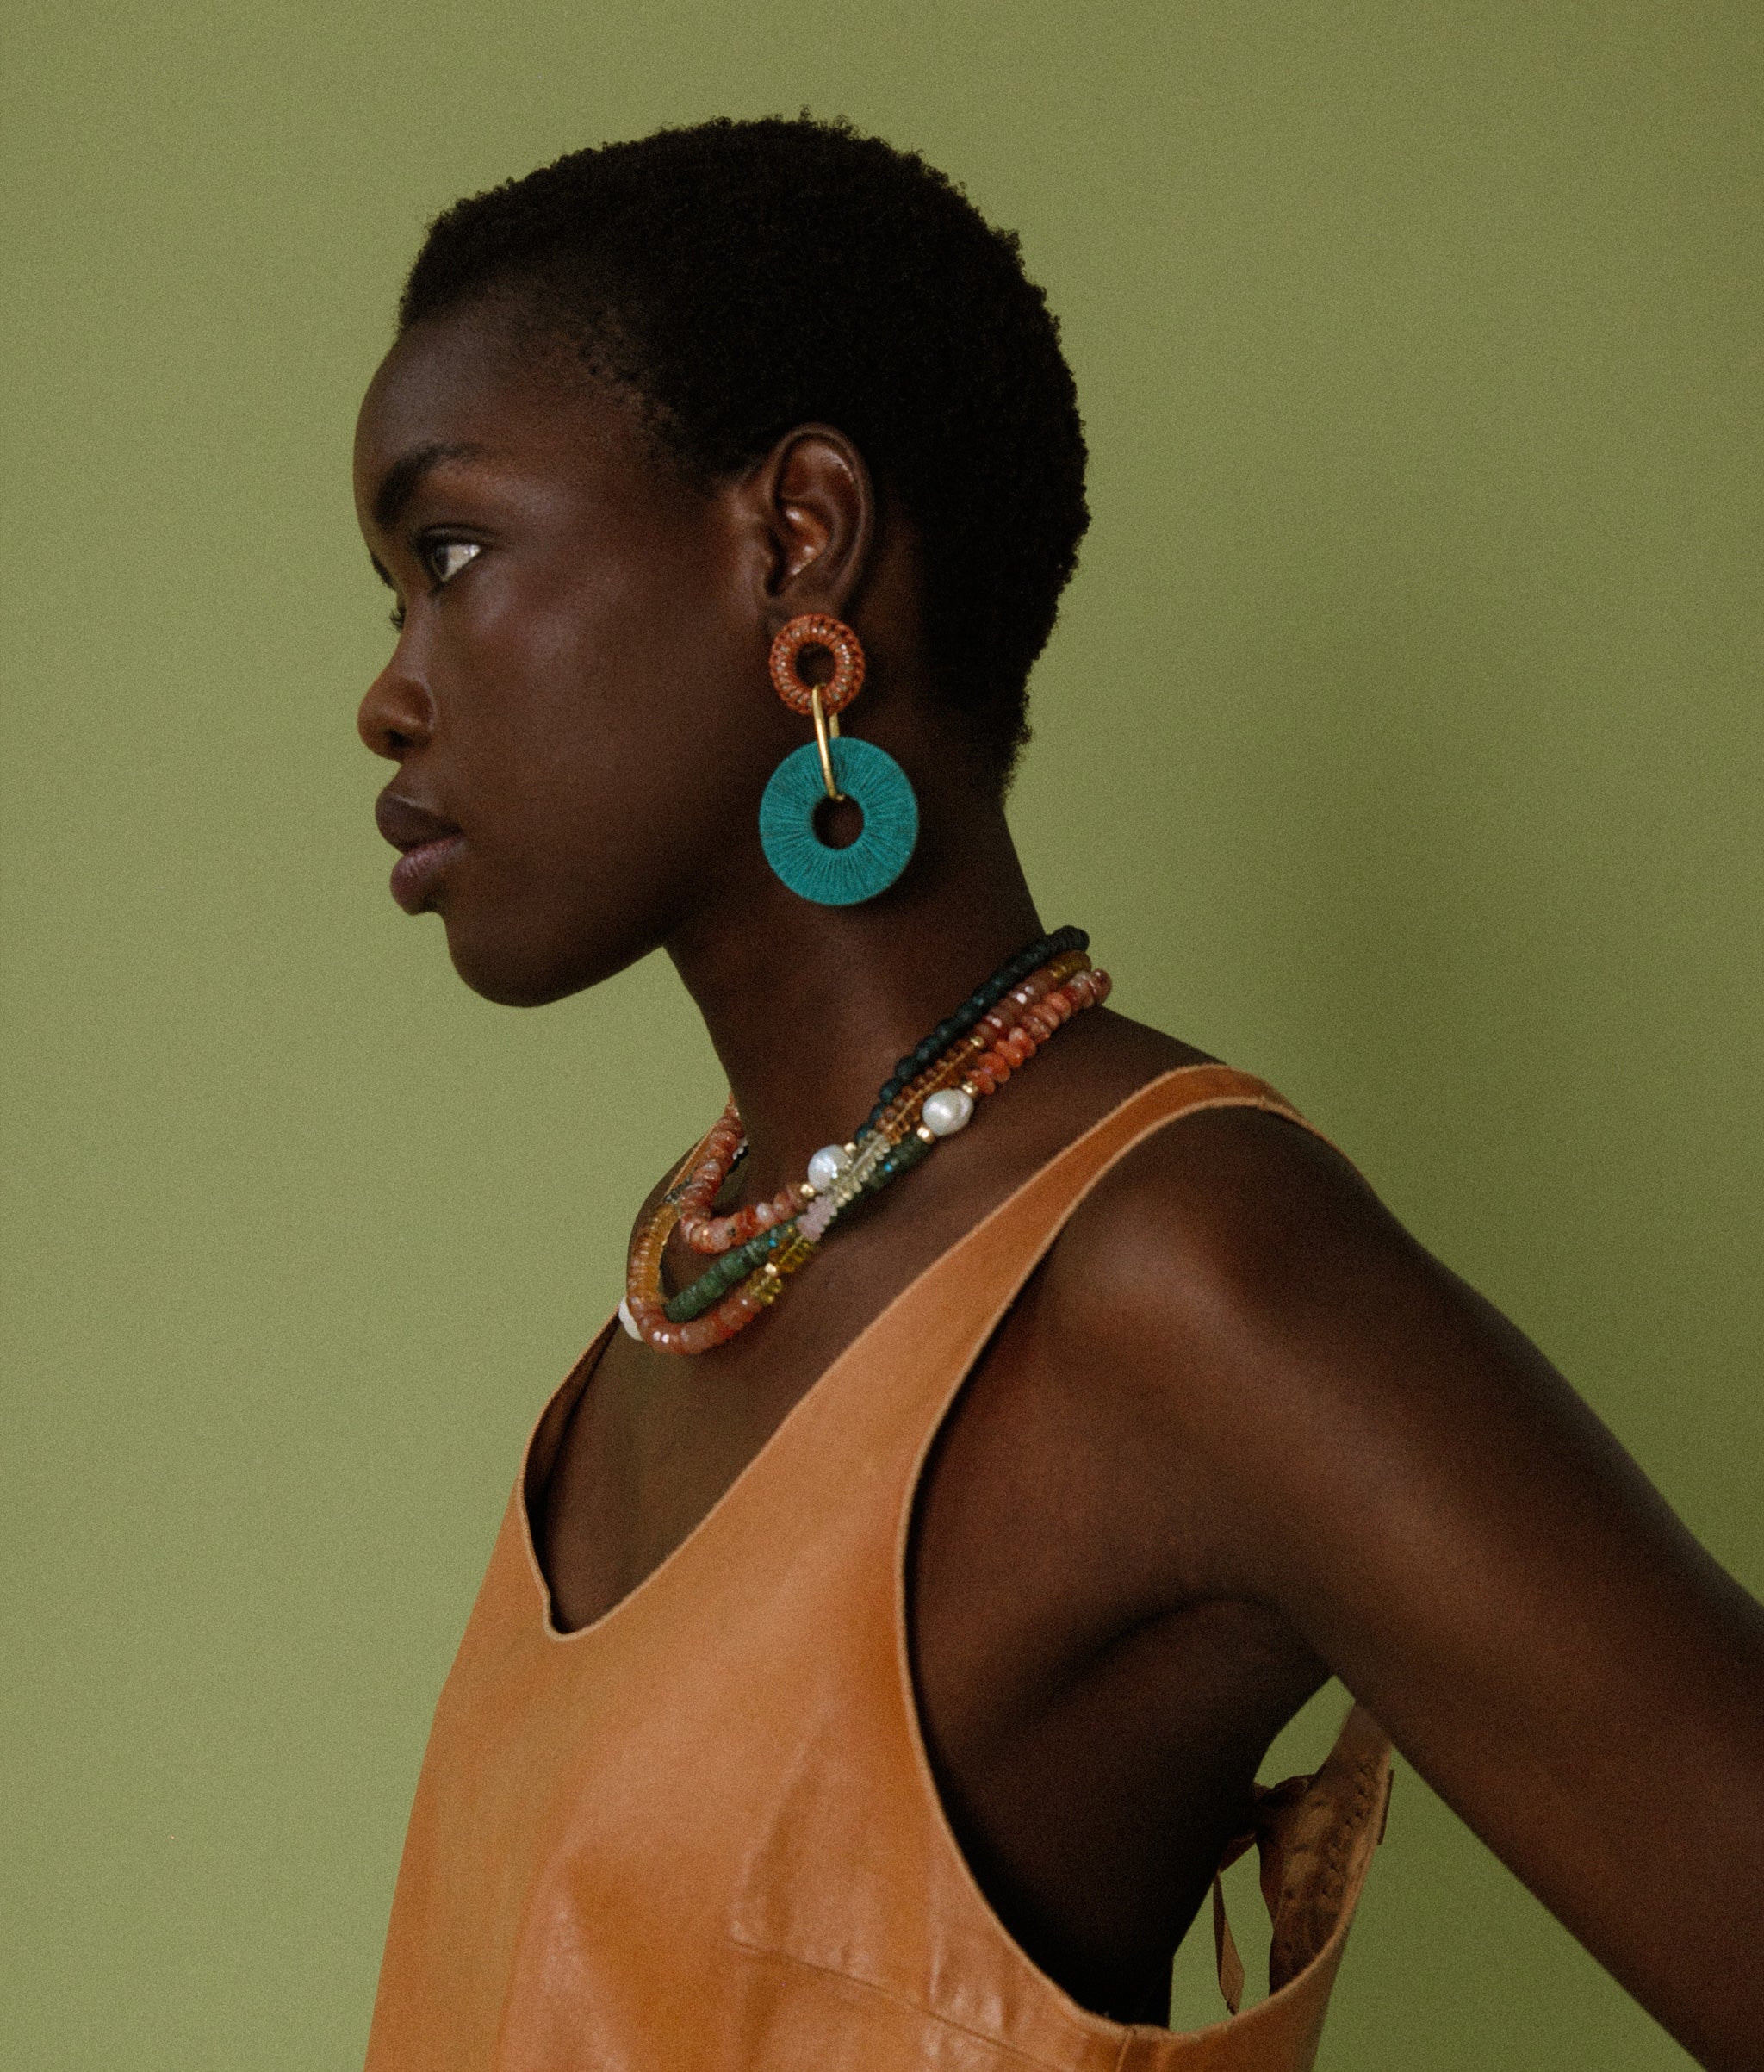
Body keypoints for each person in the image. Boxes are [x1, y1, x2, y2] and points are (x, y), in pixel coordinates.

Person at [351, 115, 1764, 2072]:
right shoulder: (685, 1293)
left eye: (452, 554)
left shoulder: (1175, 1280)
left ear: (798, 538)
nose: (391, 689)